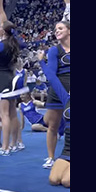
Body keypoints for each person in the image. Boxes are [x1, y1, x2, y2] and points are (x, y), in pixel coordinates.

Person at [0, 22, 25, 156]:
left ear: (3, 32)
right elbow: (22, 44)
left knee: (4, 115)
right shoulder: (15, 44)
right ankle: (14, 143)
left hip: (0, 78)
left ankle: (5, 147)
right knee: (12, 113)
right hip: (12, 77)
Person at [39, 21, 70, 169]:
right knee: (53, 125)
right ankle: (51, 157)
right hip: (57, 92)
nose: (56, 31)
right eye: (55, 29)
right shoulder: (54, 50)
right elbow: (51, 75)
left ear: (69, 31)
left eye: (60, 28)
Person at [37, 51, 70, 188]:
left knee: (67, 182)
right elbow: (51, 77)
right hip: (67, 150)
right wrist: (41, 61)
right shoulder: (66, 98)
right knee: (54, 180)